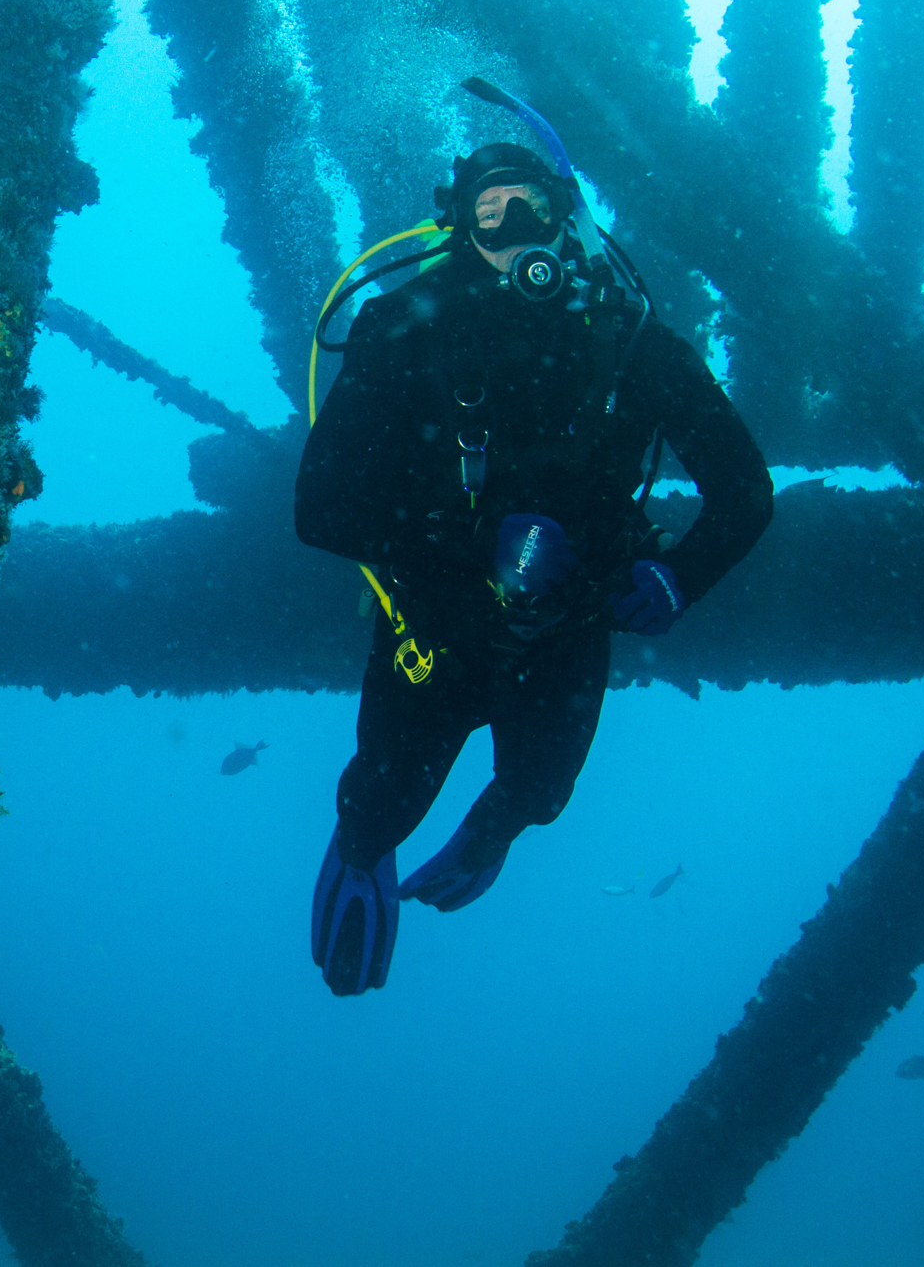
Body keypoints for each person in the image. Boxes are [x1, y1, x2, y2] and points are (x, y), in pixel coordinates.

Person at [294, 142, 773, 996]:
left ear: (566, 215)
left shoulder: (631, 342)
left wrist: (678, 576)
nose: (515, 233)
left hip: (571, 623)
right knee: (378, 804)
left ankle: (494, 829)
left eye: (532, 210)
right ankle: (362, 857)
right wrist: (474, 546)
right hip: (435, 625)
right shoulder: (409, 330)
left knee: (539, 791)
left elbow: (743, 492)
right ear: (459, 227)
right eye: (491, 214)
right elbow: (319, 510)